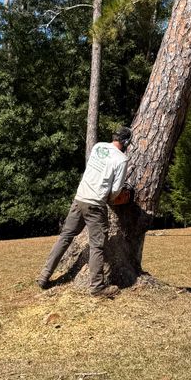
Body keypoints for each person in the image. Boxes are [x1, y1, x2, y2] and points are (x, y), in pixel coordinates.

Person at [36, 126, 132, 295]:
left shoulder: (98, 147)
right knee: (97, 245)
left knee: (65, 237)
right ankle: (96, 286)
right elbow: (116, 189)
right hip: (95, 204)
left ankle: (44, 276)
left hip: (79, 198)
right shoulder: (122, 159)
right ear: (126, 142)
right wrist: (113, 198)